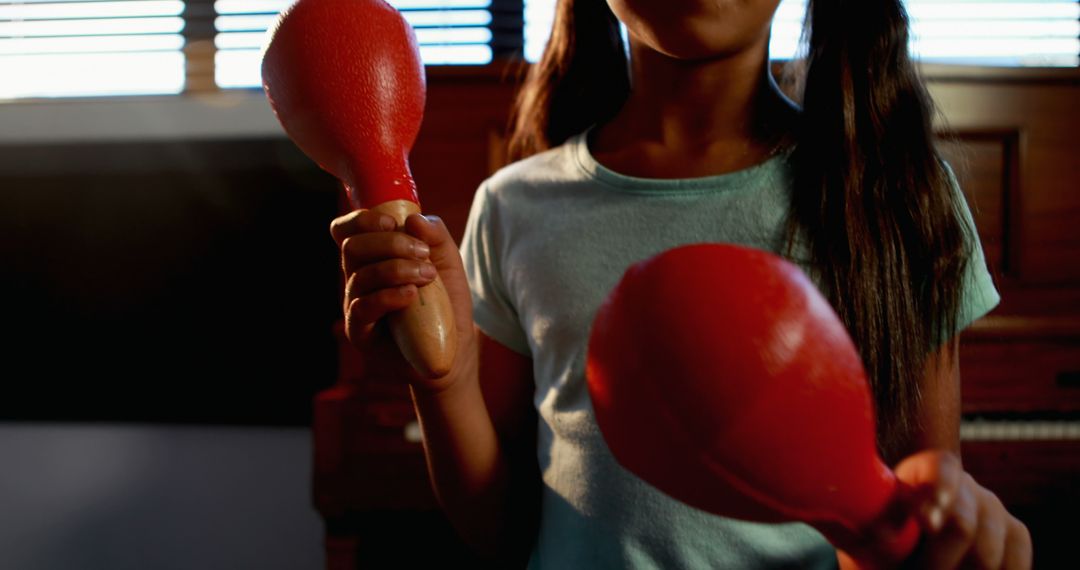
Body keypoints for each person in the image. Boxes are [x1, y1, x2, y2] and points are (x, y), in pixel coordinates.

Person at [329, 0, 1033, 567]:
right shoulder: (514, 207)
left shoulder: (896, 196)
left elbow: (917, 519)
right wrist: (443, 382)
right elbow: (501, 533)